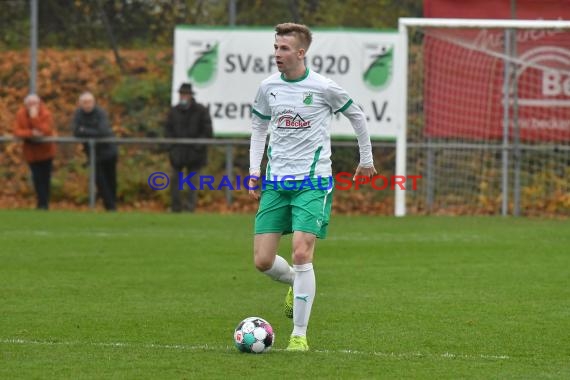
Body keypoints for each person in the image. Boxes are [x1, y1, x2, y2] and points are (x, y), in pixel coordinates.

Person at [248, 23, 377, 352]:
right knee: (262, 261)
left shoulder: (323, 87)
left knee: (302, 253)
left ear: (301, 53)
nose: (277, 53)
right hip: (276, 182)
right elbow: (259, 126)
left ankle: (299, 335)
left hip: (313, 181)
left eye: (284, 48)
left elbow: (358, 116)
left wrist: (365, 160)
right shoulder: (268, 87)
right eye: (275, 47)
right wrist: (253, 169)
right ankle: (294, 281)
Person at [165, 82, 213, 212]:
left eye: (185, 94)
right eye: (181, 94)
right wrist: (172, 148)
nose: (183, 97)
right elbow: (168, 131)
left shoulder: (201, 110)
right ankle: (176, 208)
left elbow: (207, 132)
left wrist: (197, 147)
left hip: (195, 155)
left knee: (192, 183)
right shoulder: (173, 111)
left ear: (191, 95)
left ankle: (190, 208)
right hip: (177, 154)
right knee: (175, 181)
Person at [71, 92, 118, 211]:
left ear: (94, 102)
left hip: (108, 151)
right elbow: (76, 131)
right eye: (85, 102)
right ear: (80, 104)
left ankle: (112, 205)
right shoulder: (78, 114)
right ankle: (109, 206)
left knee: (110, 178)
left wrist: (85, 130)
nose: (87, 105)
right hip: (93, 154)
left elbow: (102, 131)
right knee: (99, 180)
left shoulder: (100, 113)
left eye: (89, 102)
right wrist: (91, 131)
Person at [12, 94, 57, 210]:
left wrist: (34, 118)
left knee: (45, 178)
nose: (32, 106)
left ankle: (44, 204)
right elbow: (17, 131)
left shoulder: (46, 114)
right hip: (31, 153)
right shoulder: (20, 114)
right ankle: (40, 203)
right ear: (25, 104)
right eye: (29, 104)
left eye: (34, 104)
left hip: (46, 151)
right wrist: (31, 133)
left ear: (39, 103)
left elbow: (46, 130)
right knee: (36, 178)